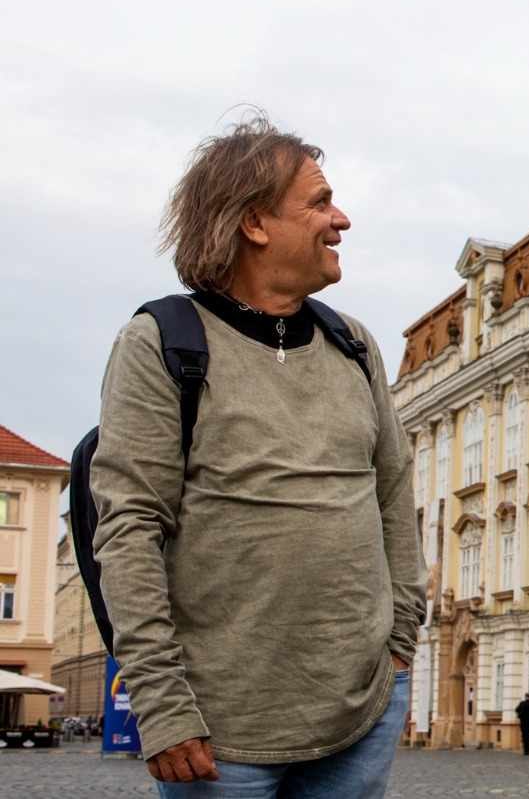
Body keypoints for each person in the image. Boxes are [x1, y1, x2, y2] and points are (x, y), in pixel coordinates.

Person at [91, 116, 424, 797]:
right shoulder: (163, 343)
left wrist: (399, 648)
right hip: (220, 736)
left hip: (361, 715)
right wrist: (161, 703)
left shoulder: (353, 344)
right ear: (255, 223)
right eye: (320, 202)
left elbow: (393, 493)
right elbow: (128, 530)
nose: (342, 219)